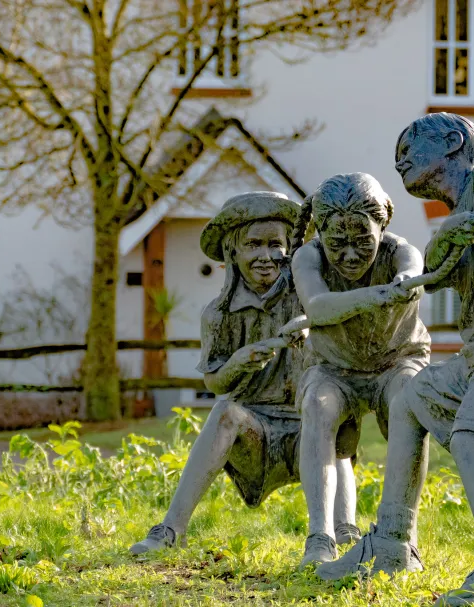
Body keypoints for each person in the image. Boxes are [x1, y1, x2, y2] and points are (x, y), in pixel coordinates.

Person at [317, 113, 474, 607]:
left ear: (452, 143)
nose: (399, 161)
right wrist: (446, 239)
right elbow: (435, 271)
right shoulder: (455, 218)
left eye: (409, 147)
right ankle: (392, 542)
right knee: (412, 398)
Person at [129, 191, 358, 555]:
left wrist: (311, 326)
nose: (265, 257)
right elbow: (214, 381)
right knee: (224, 413)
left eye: (275, 245)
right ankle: (170, 529)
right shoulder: (219, 315)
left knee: (330, 415)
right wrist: (237, 363)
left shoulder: (309, 295)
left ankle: (340, 531)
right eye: (253, 244)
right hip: (258, 432)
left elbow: (342, 341)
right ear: (232, 252)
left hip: (308, 426)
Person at [289, 172, 431, 568]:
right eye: (338, 243)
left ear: (381, 226)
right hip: (335, 367)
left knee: (409, 404)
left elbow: (413, 274)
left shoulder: (402, 251)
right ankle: (320, 536)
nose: (350, 255)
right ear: (321, 235)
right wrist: (383, 293)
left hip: (397, 361)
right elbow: (317, 308)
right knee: (318, 407)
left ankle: (402, 536)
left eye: (362, 241)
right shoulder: (308, 257)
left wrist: (407, 280)